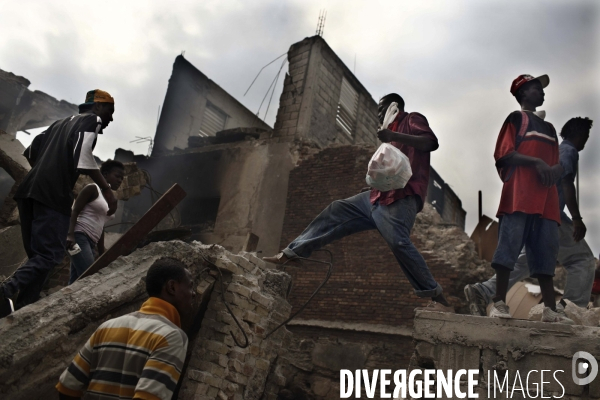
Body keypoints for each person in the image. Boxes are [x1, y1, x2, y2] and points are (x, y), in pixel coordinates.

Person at [263, 93, 455, 312]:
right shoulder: (389, 138)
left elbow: (431, 142)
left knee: (399, 243)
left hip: (402, 198)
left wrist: (393, 134)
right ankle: (293, 252)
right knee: (337, 209)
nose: (379, 114)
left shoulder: (411, 119)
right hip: (376, 197)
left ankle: (435, 294)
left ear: (395, 106)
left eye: (382, 109)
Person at [0, 89, 118, 318]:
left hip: (29, 192)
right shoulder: (91, 120)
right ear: (98, 107)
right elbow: (83, 155)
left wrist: (46, 171)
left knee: (39, 258)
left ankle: (22, 309)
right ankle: (5, 290)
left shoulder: (58, 124)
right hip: (52, 196)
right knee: (49, 256)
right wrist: (106, 189)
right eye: (109, 111)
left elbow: (31, 152)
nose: (110, 118)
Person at [465, 117, 595, 316]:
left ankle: (483, 290)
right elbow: (566, 182)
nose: (585, 141)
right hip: (552, 215)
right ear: (578, 135)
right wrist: (577, 218)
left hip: (537, 213)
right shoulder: (569, 151)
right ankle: (570, 309)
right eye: (585, 136)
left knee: (526, 261)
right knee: (582, 259)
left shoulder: (557, 150)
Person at [485, 74, 573, 324]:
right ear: (522, 93)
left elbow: (556, 165)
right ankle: (499, 302)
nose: (542, 93)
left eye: (542, 89)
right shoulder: (517, 119)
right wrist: (536, 162)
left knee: (546, 252)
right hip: (519, 195)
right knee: (509, 247)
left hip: (546, 201)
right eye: (536, 88)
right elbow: (503, 154)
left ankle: (550, 310)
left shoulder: (550, 128)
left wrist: (555, 170)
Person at [56, 258, 195, 400]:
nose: (193, 293)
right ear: (172, 287)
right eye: (190, 286)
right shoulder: (171, 336)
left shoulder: (108, 326)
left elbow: (67, 386)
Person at [67, 160, 125, 284]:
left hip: (91, 243)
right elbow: (75, 210)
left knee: (75, 282)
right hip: (79, 237)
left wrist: (101, 252)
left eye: (122, 178)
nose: (120, 180)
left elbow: (101, 225)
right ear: (104, 174)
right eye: (117, 176)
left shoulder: (111, 201)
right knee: (89, 277)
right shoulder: (93, 189)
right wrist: (70, 235)